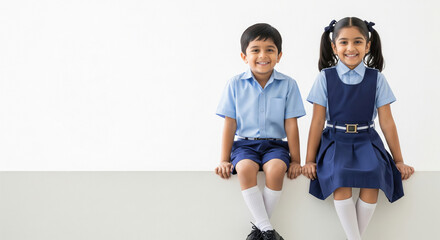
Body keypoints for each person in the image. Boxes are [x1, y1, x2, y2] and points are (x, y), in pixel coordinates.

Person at [302, 17, 415, 240]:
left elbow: (387, 122)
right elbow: (317, 121)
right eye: (343, 42)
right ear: (334, 46)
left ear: (368, 45)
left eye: (358, 42)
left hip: (367, 141)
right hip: (335, 140)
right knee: (340, 177)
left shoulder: (377, 79)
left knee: (373, 178)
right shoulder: (325, 78)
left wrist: (399, 160)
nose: (351, 48)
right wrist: (309, 160)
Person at [215, 23, 305, 240]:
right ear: (244, 56)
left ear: (279, 55)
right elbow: (230, 124)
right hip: (245, 144)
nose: (262, 55)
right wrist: (224, 159)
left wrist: (296, 160)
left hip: (275, 145)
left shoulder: (288, 85)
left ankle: (259, 230)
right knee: (245, 168)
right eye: (255, 50)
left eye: (270, 50)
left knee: (275, 170)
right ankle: (266, 230)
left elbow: (291, 124)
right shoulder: (234, 84)